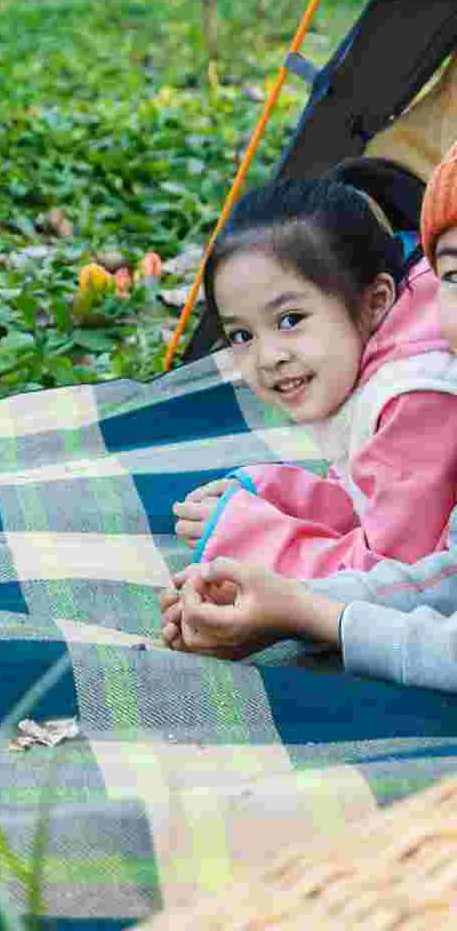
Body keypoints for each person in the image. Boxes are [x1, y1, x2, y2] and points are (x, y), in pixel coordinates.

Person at [160, 148, 457, 689]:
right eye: (242, 336)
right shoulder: (386, 352)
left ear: (376, 301)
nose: (268, 356)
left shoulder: (416, 396)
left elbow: (407, 577)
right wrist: (277, 492)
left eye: (291, 319)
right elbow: (381, 499)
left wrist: (255, 542)